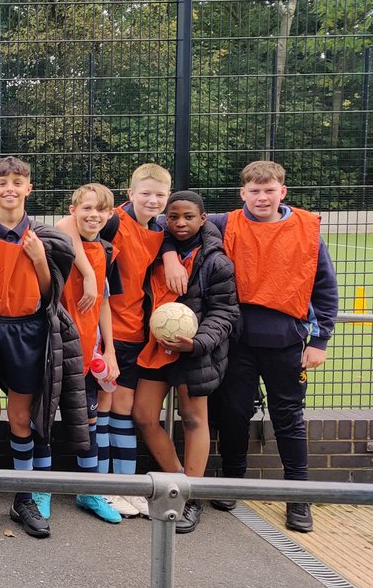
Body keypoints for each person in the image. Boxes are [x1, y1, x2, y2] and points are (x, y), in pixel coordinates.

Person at [196, 161, 336, 533]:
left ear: (282, 192)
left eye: (269, 189)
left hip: (286, 341)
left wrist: (319, 341)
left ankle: (297, 497)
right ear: (242, 193)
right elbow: (175, 225)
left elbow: (324, 288)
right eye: (254, 190)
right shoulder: (224, 224)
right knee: (233, 413)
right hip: (237, 340)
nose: (261, 197)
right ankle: (234, 480)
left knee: (289, 418)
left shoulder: (306, 230)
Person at [0, 156, 89, 539]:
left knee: (20, 418)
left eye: (18, 182)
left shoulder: (43, 237)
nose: (10, 189)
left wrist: (39, 261)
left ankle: (22, 498)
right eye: (2, 182)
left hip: (27, 333)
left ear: (29, 188)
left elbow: (51, 295)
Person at [67, 163, 172, 518]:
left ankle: (126, 487)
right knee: (105, 412)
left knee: (122, 411)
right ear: (130, 195)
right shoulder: (114, 222)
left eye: (160, 195)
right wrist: (89, 278)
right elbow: (68, 227)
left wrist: (171, 256)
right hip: (106, 334)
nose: (152, 200)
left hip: (136, 333)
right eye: (145, 193)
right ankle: (105, 488)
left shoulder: (159, 229)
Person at [133, 191, 239, 533]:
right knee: (144, 416)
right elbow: (128, 215)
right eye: (173, 216)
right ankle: (177, 483)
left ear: (203, 219)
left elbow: (225, 311)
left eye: (189, 217)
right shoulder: (155, 246)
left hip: (195, 350)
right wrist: (167, 255)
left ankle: (190, 498)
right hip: (156, 346)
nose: (180, 223)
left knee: (194, 418)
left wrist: (196, 343)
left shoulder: (216, 261)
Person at [55, 183, 125, 523]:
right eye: (86, 208)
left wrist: (109, 349)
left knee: (89, 422)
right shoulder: (60, 239)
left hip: (88, 351)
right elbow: (64, 229)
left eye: (101, 210)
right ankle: (41, 490)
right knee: (43, 421)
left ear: (110, 215)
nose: (93, 215)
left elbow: (103, 305)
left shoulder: (108, 251)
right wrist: (85, 274)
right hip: (54, 348)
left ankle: (89, 490)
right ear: (73, 210)